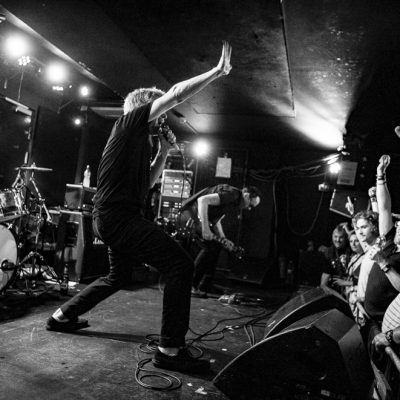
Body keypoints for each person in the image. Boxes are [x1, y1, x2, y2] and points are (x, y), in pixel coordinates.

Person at [46, 41, 233, 374]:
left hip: (114, 218)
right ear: (145, 108)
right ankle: (170, 350)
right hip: (118, 218)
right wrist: (216, 72)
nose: (163, 119)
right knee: (180, 265)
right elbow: (175, 94)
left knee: (117, 276)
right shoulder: (128, 122)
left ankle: (61, 316)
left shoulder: (135, 142)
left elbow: (145, 184)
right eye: (159, 113)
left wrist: (163, 151)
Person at [177, 184, 261, 296]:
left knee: (216, 247)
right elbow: (202, 201)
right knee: (209, 248)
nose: (249, 208)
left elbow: (216, 222)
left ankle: (205, 285)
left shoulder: (235, 202)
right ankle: (190, 285)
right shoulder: (232, 194)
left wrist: (224, 240)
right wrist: (205, 228)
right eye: (250, 205)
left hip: (197, 218)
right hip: (189, 216)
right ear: (246, 196)